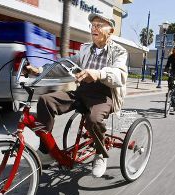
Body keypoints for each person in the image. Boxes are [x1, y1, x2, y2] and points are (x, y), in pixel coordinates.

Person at [25, 13, 128, 178]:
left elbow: (120, 74)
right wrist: (41, 70)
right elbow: (66, 64)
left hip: (104, 94)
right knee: (45, 101)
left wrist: (98, 74)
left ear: (111, 31)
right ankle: (46, 150)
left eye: (100, 25)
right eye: (93, 25)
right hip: (82, 91)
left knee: (93, 120)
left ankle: (100, 153)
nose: (95, 27)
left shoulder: (119, 51)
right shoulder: (85, 48)